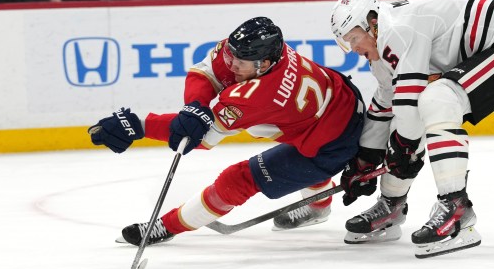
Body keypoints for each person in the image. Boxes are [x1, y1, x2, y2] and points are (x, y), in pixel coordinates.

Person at [88, 17, 366, 245]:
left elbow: (203, 138)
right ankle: (319, 208)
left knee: (240, 179)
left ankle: (166, 226)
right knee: (294, 152)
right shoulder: (255, 50)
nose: (231, 64)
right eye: (231, 55)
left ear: (264, 66)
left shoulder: (259, 95)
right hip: (341, 100)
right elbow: (205, 72)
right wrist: (195, 106)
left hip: (332, 142)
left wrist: (138, 126)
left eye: (239, 63)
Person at [330, 0, 494, 257]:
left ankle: (457, 208)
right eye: (347, 42)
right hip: (487, 46)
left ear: (372, 22)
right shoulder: (382, 53)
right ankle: (391, 204)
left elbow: (408, 103)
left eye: (355, 38)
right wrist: (365, 160)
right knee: (414, 121)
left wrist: (402, 148)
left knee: (437, 100)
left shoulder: (397, 28)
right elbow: (385, 105)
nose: (353, 49)